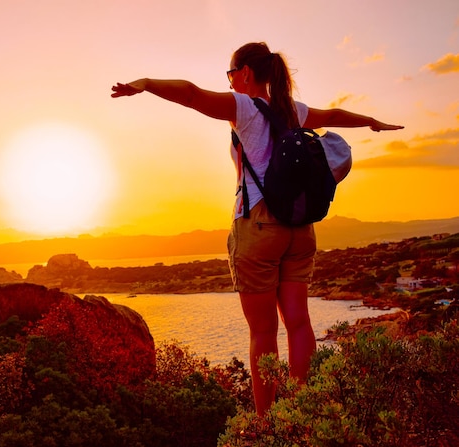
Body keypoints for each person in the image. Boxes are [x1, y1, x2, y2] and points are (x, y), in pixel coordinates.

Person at [111, 41, 403, 417]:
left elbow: (190, 95)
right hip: (299, 228)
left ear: (246, 73)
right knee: (299, 324)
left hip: (259, 225)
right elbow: (332, 112)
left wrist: (146, 82)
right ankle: (307, 412)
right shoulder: (292, 109)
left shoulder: (245, 107)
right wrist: (369, 121)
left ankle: (269, 425)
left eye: (231, 74)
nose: (230, 82)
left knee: (263, 334)